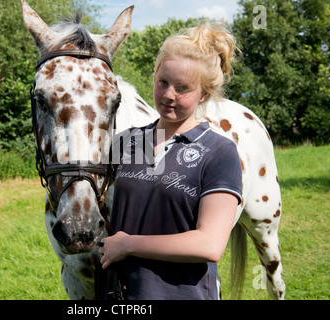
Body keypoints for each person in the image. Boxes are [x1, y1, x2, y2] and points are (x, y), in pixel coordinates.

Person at [98, 22, 243, 300]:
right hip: (119, 295)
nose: (168, 95)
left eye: (183, 88)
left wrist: (128, 245)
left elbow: (209, 244)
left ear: (203, 94)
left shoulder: (217, 151)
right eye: (163, 82)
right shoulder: (129, 142)